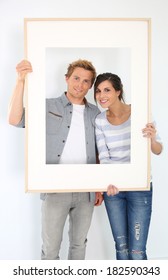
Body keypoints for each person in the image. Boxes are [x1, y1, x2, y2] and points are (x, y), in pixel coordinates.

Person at [8, 59, 103, 260]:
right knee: (50, 250)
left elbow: (100, 149)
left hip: (86, 190)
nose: (80, 84)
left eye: (86, 81)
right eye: (76, 78)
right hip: (54, 188)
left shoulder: (96, 113)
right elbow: (15, 120)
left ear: (90, 85)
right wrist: (20, 82)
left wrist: (99, 186)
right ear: (67, 78)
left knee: (79, 245)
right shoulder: (46, 106)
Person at [94, 72, 163, 260]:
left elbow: (158, 150)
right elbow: (104, 156)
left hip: (139, 188)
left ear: (118, 91)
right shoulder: (100, 120)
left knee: (137, 251)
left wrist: (152, 138)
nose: (102, 96)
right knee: (121, 248)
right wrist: (108, 182)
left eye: (107, 90)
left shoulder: (141, 112)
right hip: (113, 190)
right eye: (98, 91)